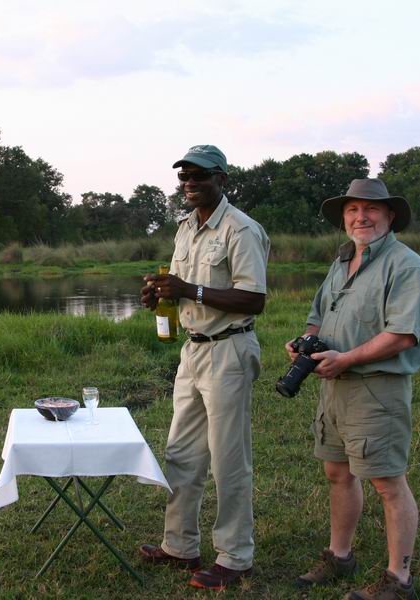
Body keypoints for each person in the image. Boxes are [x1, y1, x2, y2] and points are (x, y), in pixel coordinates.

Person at [289, 178, 420, 600]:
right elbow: (317, 315)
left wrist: (346, 359)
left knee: (388, 483)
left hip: (375, 390)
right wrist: (304, 342)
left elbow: (402, 335)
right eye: (352, 210)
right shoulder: (343, 261)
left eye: (370, 209)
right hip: (334, 388)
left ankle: (398, 581)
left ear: (390, 216)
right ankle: (339, 556)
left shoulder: (406, 266)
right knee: (337, 472)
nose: (360, 216)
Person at [137, 145, 270, 591]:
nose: (190, 183)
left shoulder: (241, 229)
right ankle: (180, 546)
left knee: (228, 459)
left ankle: (236, 557)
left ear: (222, 180)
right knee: (182, 453)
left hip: (229, 351)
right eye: (184, 177)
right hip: (192, 351)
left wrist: (188, 289)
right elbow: (182, 289)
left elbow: (254, 299)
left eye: (200, 176)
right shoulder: (185, 229)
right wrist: (162, 295)